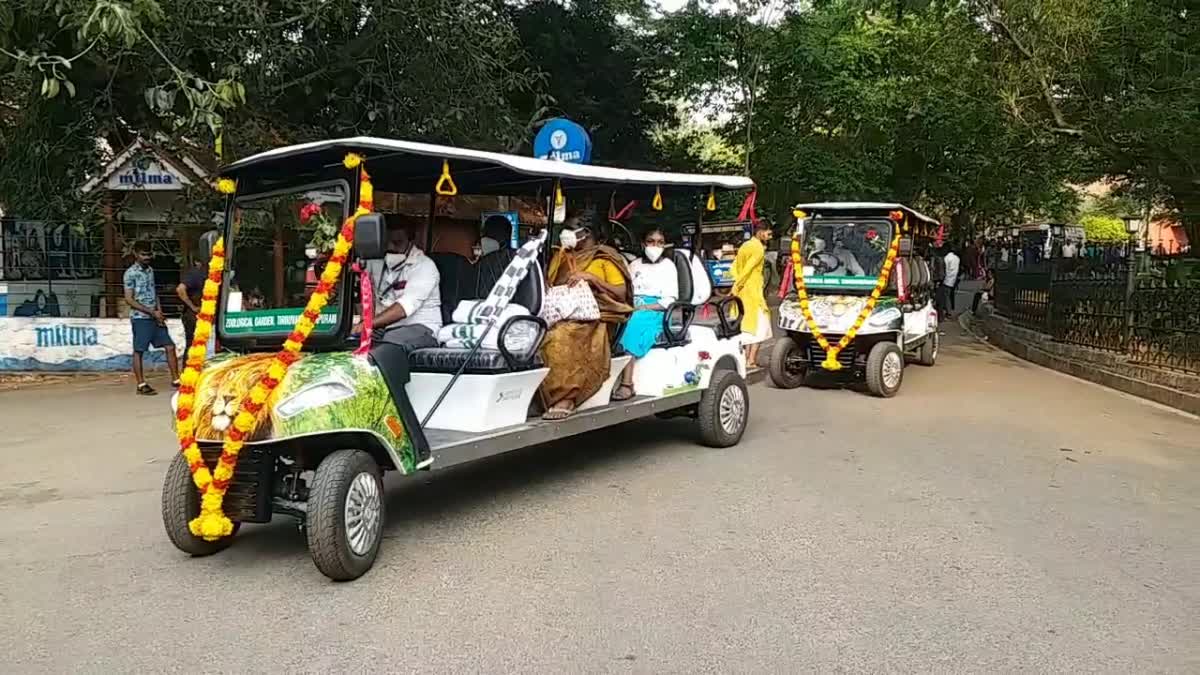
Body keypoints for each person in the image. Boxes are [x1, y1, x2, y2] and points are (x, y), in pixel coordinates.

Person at [540, 210, 633, 420]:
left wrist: (591, 278)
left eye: (571, 229)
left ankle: (567, 397)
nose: (565, 234)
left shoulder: (605, 257)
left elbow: (621, 293)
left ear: (586, 232)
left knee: (561, 337)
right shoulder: (561, 256)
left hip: (598, 317)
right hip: (562, 312)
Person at [359, 217, 442, 353]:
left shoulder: (424, 266)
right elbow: (362, 289)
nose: (391, 247)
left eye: (397, 243)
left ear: (410, 241)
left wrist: (367, 325)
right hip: (383, 328)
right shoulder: (376, 262)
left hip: (421, 328)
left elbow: (404, 308)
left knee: (389, 345)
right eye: (387, 242)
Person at [615, 228, 680, 400]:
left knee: (632, 323)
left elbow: (670, 299)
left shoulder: (669, 266)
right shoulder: (634, 265)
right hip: (632, 306)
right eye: (651, 241)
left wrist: (645, 307)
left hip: (655, 311)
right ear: (644, 244)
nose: (655, 245)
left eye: (660, 242)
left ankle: (627, 384)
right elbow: (626, 291)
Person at [124, 241, 180, 395]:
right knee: (139, 350)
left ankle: (176, 379)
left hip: (155, 316)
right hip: (140, 317)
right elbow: (129, 299)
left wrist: (159, 312)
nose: (147, 257)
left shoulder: (150, 271)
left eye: (149, 254)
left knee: (169, 346)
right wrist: (150, 312)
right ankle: (141, 384)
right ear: (136, 254)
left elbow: (154, 292)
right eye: (143, 254)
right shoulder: (130, 273)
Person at [732, 221, 774, 366]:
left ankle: (745, 359)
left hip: (742, 291)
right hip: (753, 291)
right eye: (768, 233)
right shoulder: (758, 248)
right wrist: (739, 284)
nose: (769, 236)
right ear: (761, 232)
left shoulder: (745, 246)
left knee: (746, 326)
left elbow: (735, 267)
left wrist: (736, 285)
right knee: (761, 327)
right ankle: (751, 359)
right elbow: (747, 269)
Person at [175, 258, 206, 348]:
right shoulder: (195, 274)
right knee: (193, 345)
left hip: (201, 314)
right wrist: (193, 307)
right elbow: (180, 289)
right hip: (193, 314)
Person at [941, 245, 961, 318]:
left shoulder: (946, 258)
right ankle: (951, 309)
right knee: (951, 295)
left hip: (947, 279)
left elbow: (944, 269)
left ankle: (948, 311)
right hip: (954, 278)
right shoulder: (957, 258)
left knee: (946, 295)